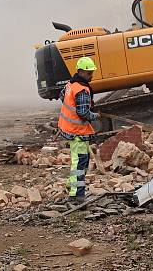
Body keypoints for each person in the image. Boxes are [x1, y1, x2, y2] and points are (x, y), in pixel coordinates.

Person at [57, 56, 100, 202]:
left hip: (70, 129)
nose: (91, 76)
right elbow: (83, 113)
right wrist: (95, 116)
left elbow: (62, 97)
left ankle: (72, 185)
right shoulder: (82, 90)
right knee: (80, 163)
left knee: (79, 160)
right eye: (89, 73)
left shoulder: (71, 84)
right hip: (78, 132)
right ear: (81, 72)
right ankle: (77, 195)